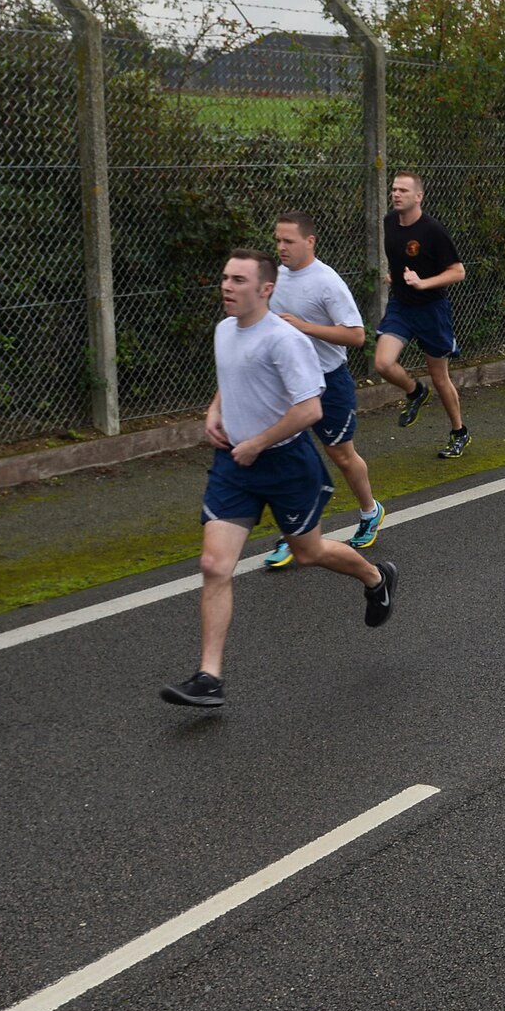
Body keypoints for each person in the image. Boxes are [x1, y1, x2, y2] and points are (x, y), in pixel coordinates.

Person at [161, 250, 396, 708]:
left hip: (286, 463)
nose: (227, 286)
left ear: (265, 289)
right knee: (213, 565)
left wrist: (259, 441)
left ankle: (375, 577)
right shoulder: (224, 330)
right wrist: (214, 411)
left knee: (308, 553)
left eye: (238, 280)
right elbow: (232, 376)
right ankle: (209, 677)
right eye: (225, 277)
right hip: (235, 464)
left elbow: (309, 408)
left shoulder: (285, 340)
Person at [265, 211, 384, 570]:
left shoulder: (327, 282)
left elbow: (357, 335)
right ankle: (294, 532)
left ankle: (370, 511)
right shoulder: (276, 277)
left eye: (288, 241)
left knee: (342, 456)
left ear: (309, 241)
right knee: (287, 458)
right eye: (277, 240)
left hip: (330, 382)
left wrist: (304, 327)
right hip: (291, 384)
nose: (281, 247)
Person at [374, 171, 471, 458]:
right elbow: (400, 259)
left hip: (431, 309)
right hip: (401, 306)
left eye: (403, 190)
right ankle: (415, 391)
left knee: (440, 376)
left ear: (419, 196)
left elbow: (458, 271)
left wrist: (423, 283)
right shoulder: (389, 223)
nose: (396, 194)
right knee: (382, 363)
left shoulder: (433, 231)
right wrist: (394, 276)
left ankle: (459, 432)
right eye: (394, 189)